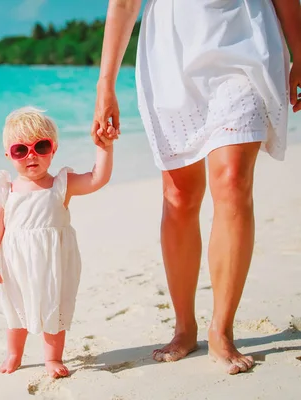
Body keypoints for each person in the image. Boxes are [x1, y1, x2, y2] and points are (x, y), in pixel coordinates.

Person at [91, 0, 301, 375]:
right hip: (172, 54)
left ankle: (221, 329)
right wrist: (105, 83)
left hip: (245, 39)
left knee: (233, 181)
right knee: (179, 196)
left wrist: (299, 49)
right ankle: (184, 327)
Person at [0, 106, 114, 378]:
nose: (31, 155)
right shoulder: (7, 190)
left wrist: (105, 147)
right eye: (21, 150)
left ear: (53, 149)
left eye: (41, 146)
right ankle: (14, 354)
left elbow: (97, 179)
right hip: (16, 265)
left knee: (54, 307)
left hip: (54, 262)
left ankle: (52, 358)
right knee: (16, 309)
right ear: (9, 154)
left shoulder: (61, 184)